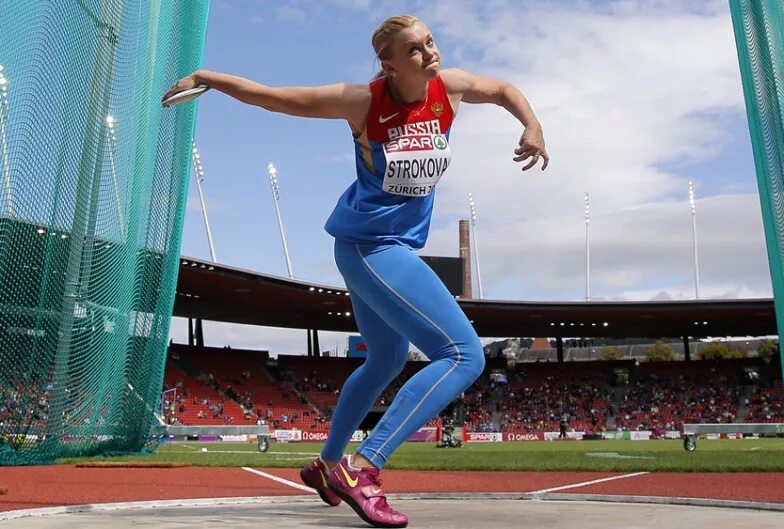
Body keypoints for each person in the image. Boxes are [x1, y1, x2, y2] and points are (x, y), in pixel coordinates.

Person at [163, 14, 548, 528]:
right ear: (388, 64)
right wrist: (211, 77)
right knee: (463, 355)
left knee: (385, 357)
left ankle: (326, 465)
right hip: (372, 248)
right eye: (414, 50)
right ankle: (363, 468)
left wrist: (533, 125)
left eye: (430, 42)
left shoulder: (448, 88)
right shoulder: (363, 102)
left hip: (382, 249)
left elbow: (502, 89)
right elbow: (275, 98)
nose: (430, 53)